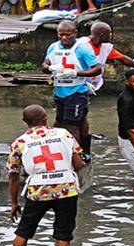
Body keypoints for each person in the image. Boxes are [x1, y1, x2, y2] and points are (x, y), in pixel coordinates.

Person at [5, 105, 86, 246]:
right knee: (63, 236)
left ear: (26, 122)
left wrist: (14, 203)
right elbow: (79, 163)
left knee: (23, 231)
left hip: (37, 191)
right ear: (44, 119)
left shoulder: (19, 142)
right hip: (66, 189)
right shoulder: (63, 134)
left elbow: (13, 175)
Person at [42, 20, 101, 156]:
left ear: (75, 33)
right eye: (61, 35)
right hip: (60, 91)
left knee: (71, 124)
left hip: (76, 91)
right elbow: (44, 65)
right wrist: (50, 67)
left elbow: (97, 69)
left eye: (68, 35)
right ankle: (83, 151)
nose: (64, 38)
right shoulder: (53, 47)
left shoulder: (83, 48)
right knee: (67, 120)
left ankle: (75, 155)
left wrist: (76, 73)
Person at [78, 21, 134, 93]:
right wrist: (83, 81)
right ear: (102, 35)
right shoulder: (82, 45)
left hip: (93, 84)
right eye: (109, 33)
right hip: (78, 84)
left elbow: (123, 58)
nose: (111, 35)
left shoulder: (105, 47)